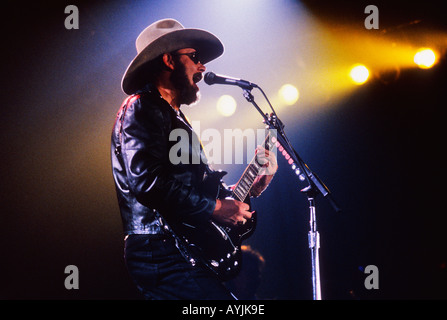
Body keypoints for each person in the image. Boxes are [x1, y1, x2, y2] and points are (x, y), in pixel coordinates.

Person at [111, 18, 278, 300]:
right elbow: (148, 183)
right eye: (195, 57)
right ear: (168, 60)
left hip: (181, 248)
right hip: (159, 248)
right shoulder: (141, 107)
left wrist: (251, 188)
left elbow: (195, 193)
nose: (202, 67)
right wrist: (214, 207)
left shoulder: (175, 118)